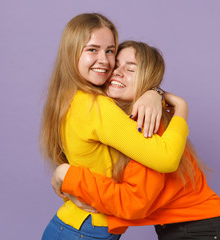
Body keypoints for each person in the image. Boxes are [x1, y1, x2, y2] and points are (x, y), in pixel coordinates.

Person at [52, 41, 220, 240]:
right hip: (191, 229)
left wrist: (68, 175)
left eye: (131, 69)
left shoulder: (147, 123)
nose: (117, 72)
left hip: (201, 231)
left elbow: (133, 203)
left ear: (147, 79)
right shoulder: (122, 119)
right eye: (115, 65)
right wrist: (157, 92)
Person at [40, 13, 190, 240]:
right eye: (92, 49)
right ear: (71, 52)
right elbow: (167, 159)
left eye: (110, 50)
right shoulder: (97, 107)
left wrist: (154, 91)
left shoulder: (69, 98)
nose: (104, 60)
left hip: (69, 225)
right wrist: (180, 107)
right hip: (85, 230)